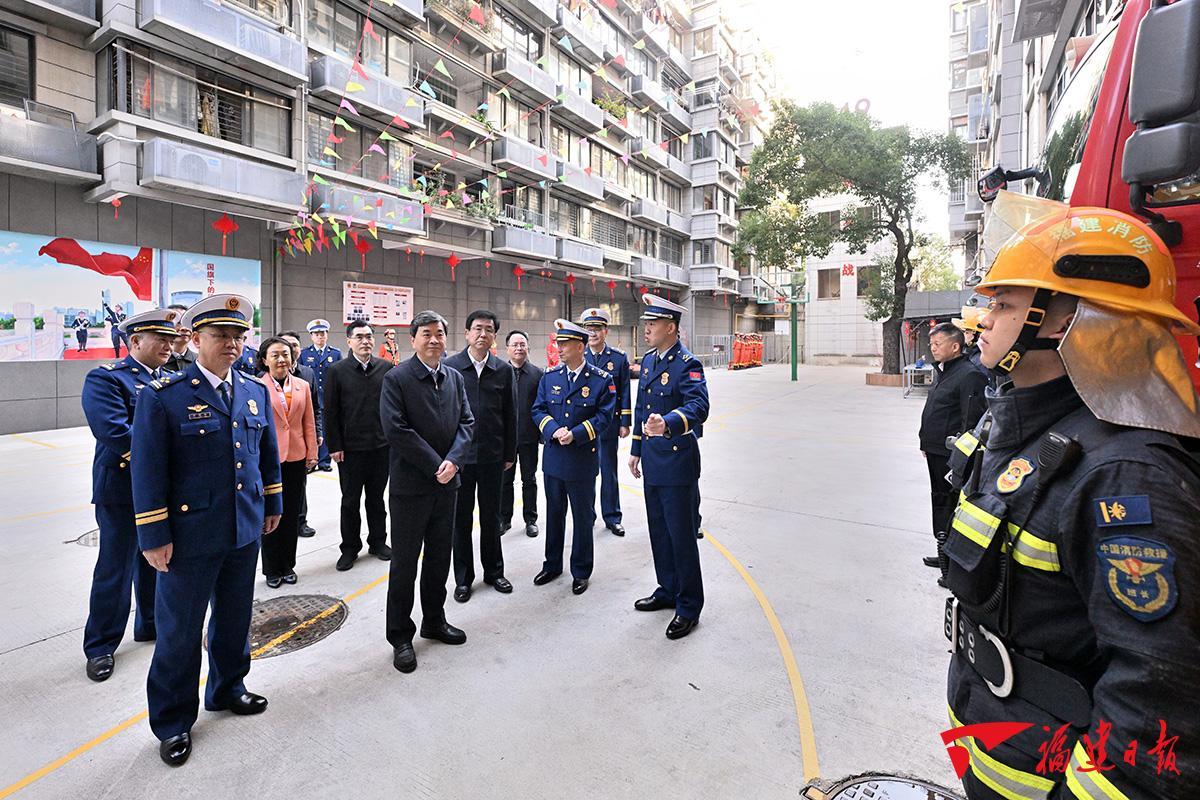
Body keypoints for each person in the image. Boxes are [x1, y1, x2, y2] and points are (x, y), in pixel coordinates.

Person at [940, 198, 1200, 799]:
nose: (982, 320)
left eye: (1003, 305)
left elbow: (1158, 707)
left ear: (1061, 321)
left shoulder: (1126, 477)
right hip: (996, 734)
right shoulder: (1015, 424)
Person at [130, 293, 282, 767]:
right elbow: (148, 471)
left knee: (234, 619)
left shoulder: (254, 390)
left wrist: (272, 502)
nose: (232, 343)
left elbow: (266, 454)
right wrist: (154, 535)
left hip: (243, 527)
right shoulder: (164, 396)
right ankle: (173, 721)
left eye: (239, 335)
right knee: (179, 631)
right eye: (221, 335)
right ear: (195, 340)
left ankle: (227, 688)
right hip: (188, 535)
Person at [79, 308, 178, 683]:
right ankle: (100, 645)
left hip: (160, 490)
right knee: (115, 568)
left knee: (156, 558)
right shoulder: (107, 379)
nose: (169, 346)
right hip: (121, 489)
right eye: (161, 339)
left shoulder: (169, 381)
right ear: (135, 341)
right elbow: (115, 431)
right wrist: (164, 460)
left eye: (171, 340)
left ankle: (149, 624)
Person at [380, 310, 474, 674]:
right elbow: (396, 429)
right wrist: (437, 464)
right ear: (413, 339)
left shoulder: (454, 378)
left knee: (439, 557)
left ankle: (434, 620)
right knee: (405, 563)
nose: (434, 340)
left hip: (448, 485)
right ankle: (400, 636)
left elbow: (466, 422)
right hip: (411, 487)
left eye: (439, 334)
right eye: (426, 334)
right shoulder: (397, 378)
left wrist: (454, 461)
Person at [629, 294, 709, 639]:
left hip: (677, 463)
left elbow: (699, 406)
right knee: (659, 532)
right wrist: (635, 449)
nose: (646, 329)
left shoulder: (687, 364)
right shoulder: (649, 361)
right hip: (652, 460)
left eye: (653, 323)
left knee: (681, 537)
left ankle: (689, 606)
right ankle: (668, 589)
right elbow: (641, 408)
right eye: (646, 323)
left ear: (671, 327)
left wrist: (670, 422)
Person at [531, 320, 617, 595]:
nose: (559, 349)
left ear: (580, 346)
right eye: (558, 343)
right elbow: (538, 410)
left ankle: (581, 570)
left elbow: (604, 416)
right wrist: (554, 430)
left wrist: (577, 434)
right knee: (554, 515)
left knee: (582, 518)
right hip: (554, 460)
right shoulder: (550, 376)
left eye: (564, 344)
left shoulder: (601, 380)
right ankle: (552, 564)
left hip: (581, 461)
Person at [444, 309, 517, 601]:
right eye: (477, 328)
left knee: (491, 517)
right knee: (460, 520)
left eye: (488, 330)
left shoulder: (503, 370)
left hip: (491, 456)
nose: (482, 334)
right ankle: (463, 579)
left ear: (494, 336)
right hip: (460, 459)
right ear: (466, 333)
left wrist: (509, 453)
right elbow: (443, 415)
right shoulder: (451, 367)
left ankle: (494, 572)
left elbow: (511, 415)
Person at [919, 322, 988, 573]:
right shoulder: (945, 371)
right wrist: (925, 440)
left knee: (951, 502)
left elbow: (971, 421)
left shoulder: (969, 375)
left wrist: (961, 458)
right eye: (932, 344)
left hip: (952, 455)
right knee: (940, 500)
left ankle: (953, 565)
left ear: (955, 346)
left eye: (938, 344)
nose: (933, 348)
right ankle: (943, 552)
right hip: (935, 449)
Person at [324, 320, 392, 571]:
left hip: (380, 447)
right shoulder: (337, 371)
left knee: (377, 499)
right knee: (350, 501)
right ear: (349, 341)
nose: (365, 341)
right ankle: (350, 548)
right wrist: (335, 445)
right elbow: (330, 411)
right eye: (360, 337)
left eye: (369, 336)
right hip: (350, 451)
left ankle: (378, 542)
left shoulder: (385, 368)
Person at [256, 337, 318, 587]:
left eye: (286, 354)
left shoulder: (303, 386)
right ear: (264, 360)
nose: (282, 359)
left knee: (291, 514)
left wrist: (312, 452)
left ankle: (287, 565)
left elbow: (309, 421)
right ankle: (272, 569)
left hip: (296, 457)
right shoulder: (256, 386)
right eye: (275, 355)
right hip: (268, 459)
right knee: (271, 513)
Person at [581, 308, 632, 537]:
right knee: (585, 472)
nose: (593, 333)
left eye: (597, 329)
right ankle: (587, 516)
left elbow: (625, 391)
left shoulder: (618, 358)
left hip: (609, 425)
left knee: (609, 472)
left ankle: (612, 517)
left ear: (606, 331)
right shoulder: (579, 355)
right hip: (583, 426)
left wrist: (625, 421)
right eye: (589, 329)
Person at [279, 330, 321, 538]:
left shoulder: (307, 373)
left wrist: (317, 432)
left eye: (294, 345)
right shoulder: (264, 376)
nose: (291, 349)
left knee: (300, 483)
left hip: (299, 439)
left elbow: (315, 407)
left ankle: (300, 520)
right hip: (276, 442)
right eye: (285, 345)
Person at [501, 329, 543, 538]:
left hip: (529, 437)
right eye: (515, 345)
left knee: (529, 480)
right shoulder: (498, 373)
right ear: (507, 348)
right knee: (504, 481)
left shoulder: (538, 374)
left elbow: (543, 406)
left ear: (528, 348)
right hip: (504, 440)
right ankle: (504, 519)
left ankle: (530, 519)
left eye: (522, 344)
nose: (519, 348)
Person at [300, 319, 342, 471]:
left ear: (327, 335)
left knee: (325, 428)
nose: (320, 336)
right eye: (316, 334)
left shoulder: (335, 353)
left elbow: (340, 375)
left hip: (328, 397)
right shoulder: (304, 353)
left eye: (322, 333)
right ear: (311, 336)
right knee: (310, 428)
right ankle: (311, 460)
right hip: (310, 396)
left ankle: (324, 461)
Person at [162, 305, 196, 373]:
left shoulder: (200, 361)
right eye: (178, 323)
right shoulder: (157, 361)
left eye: (187, 323)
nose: (184, 328)